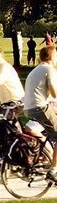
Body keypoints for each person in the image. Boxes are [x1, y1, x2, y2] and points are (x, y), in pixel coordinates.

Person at [23, 45, 57, 181]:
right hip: (40, 108)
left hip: (29, 109)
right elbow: (54, 93)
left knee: (49, 130)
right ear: (52, 57)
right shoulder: (49, 69)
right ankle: (53, 170)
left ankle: (43, 156)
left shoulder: (36, 69)